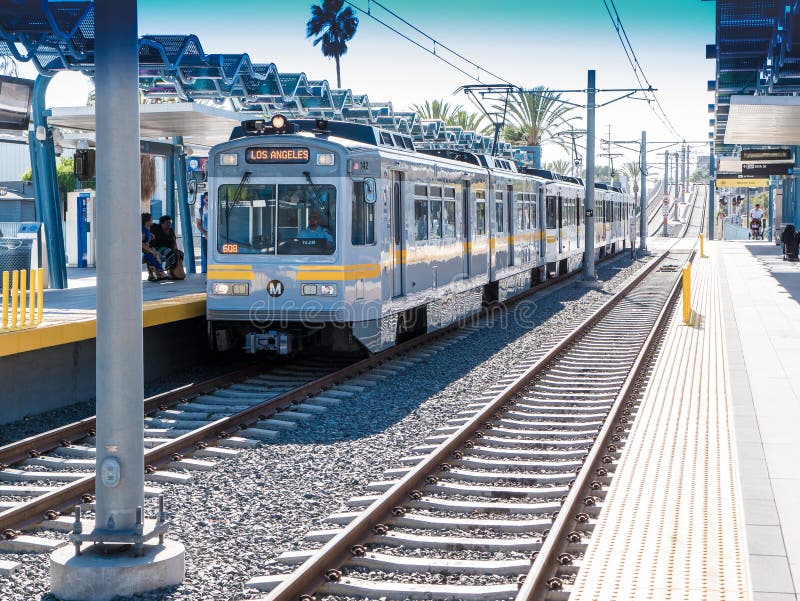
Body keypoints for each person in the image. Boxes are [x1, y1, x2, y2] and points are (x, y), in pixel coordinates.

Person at [150, 215, 186, 280]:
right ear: (161, 223)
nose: (169, 224)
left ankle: (173, 272)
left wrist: (176, 249)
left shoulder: (171, 230)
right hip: (158, 248)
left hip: (169, 248)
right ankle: (167, 271)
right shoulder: (155, 228)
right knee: (170, 253)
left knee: (180, 253)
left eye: (170, 223)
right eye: (167, 223)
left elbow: (174, 241)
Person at [141, 213, 167, 282]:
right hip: (143, 250)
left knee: (154, 253)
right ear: (147, 221)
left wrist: (151, 235)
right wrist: (150, 250)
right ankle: (159, 272)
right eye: (151, 220)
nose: (152, 221)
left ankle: (153, 275)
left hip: (146, 249)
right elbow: (141, 243)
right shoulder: (142, 231)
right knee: (152, 254)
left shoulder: (147, 229)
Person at [195, 192, 208, 273]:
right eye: (206, 198)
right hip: (205, 238)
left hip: (218, 237)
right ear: (204, 200)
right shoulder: (200, 210)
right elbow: (198, 225)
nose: (208, 200)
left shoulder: (218, 208)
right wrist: (205, 234)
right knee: (207, 257)